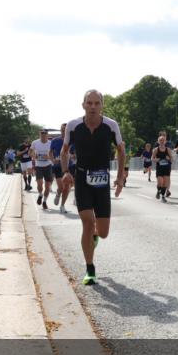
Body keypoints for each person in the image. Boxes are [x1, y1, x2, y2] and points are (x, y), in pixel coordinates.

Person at [59, 90, 126, 285]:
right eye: (89, 103)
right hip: (82, 179)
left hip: (102, 180)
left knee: (103, 232)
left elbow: (121, 151)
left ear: (102, 105)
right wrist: (65, 171)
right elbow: (64, 152)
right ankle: (90, 268)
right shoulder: (73, 126)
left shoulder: (111, 126)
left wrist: (120, 178)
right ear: (83, 105)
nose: (93, 106)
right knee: (88, 222)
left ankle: (95, 235)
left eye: (97, 103)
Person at [31, 129, 56, 210]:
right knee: (40, 184)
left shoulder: (51, 143)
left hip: (48, 165)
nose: (43, 135)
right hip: (38, 165)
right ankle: (40, 195)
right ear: (39, 135)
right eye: (42, 134)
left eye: (45, 134)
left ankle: (44, 201)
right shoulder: (35, 142)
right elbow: (30, 152)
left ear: (47, 135)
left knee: (47, 186)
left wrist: (48, 157)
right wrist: (34, 156)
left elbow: (54, 153)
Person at [50, 125, 67, 211]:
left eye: (66, 130)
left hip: (69, 166)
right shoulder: (55, 140)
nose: (64, 132)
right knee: (61, 187)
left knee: (66, 187)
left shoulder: (73, 140)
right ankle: (58, 193)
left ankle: (62, 205)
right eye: (62, 130)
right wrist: (53, 160)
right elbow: (50, 152)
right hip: (58, 166)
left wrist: (74, 156)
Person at [153, 135, 174, 201]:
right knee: (160, 182)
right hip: (159, 168)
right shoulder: (156, 150)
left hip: (166, 168)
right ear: (158, 141)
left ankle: (163, 196)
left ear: (165, 141)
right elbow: (152, 158)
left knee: (165, 183)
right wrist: (156, 159)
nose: (162, 141)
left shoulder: (168, 149)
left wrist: (169, 158)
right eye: (160, 140)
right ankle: (158, 191)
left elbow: (172, 159)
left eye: (163, 140)